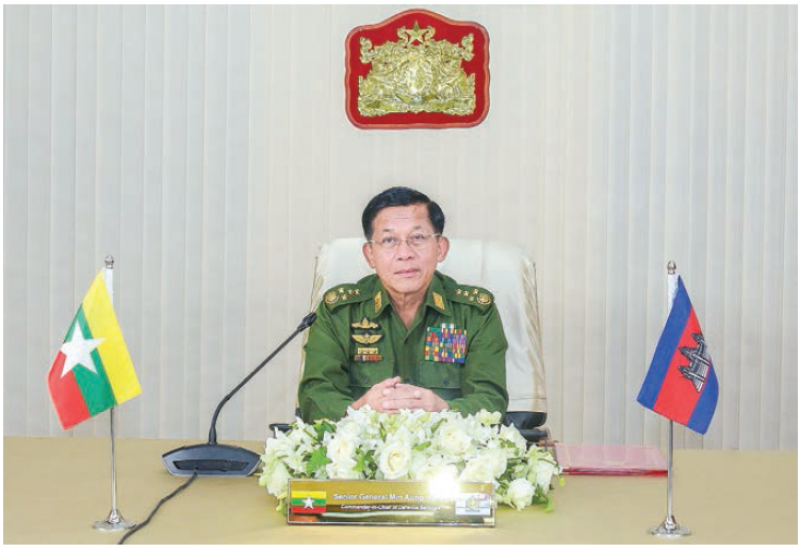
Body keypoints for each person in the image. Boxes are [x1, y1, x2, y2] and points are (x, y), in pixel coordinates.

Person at [298, 187, 508, 422]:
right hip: (361, 443)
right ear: (370, 255)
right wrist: (358, 410)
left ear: (440, 248)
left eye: (417, 238)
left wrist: (444, 410)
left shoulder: (474, 313)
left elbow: (490, 399)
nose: (405, 253)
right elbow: (314, 397)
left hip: (447, 443)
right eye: (389, 240)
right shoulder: (340, 312)